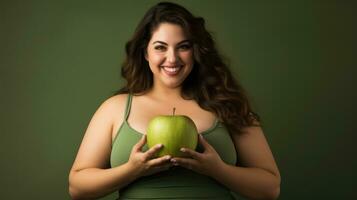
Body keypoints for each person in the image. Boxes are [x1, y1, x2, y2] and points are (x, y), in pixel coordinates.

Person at [68, 2, 281, 199]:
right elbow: (77, 188)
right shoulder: (115, 108)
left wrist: (217, 170)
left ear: (196, 51)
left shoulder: (227, 104)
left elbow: (270, 188)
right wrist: (131, 170)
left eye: (183, 46)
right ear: (145, 53)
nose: (172, 58)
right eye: (160, 47)